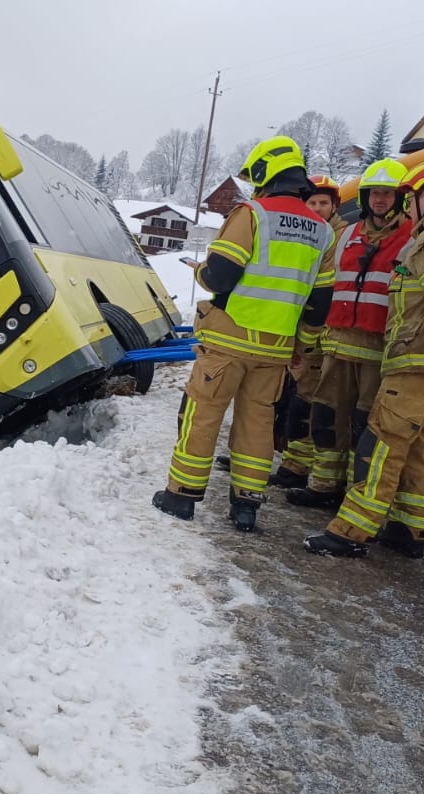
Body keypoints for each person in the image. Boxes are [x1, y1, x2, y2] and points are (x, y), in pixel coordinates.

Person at [304, 160, 424, 558]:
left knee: (382, 444)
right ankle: (410, 529)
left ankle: (352, 530)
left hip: (418, 363)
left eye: (412, 197)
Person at [154, 136, 333, 533]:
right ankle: (247, 506)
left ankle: (181, 496)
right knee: (257, 424)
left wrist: (199, 271)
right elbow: (320, 304)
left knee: (203, 414)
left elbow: (220, 275)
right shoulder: (323, 231)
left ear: (268, 172)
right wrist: (301, 346)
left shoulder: (252, 214)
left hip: (228, 343)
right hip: (276, 350)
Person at [290, 159, 413, 509]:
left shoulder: (411, 238)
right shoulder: (345, 236)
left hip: (378, 349)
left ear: (400, 198)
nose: (380, 200)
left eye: (387, 194)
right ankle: (324, 485)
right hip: (337, 344)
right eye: (375, 193)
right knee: (327, 417)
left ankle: (355, 495)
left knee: (365, 426)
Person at [218, 173, 344, 487]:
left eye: (323, 203)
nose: (316, 207)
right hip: (291, 334)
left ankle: (298, 469)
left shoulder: (332, 237)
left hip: (315, 335)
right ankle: (278, 465)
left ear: (334, 206)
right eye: (312, 201)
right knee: (276, 406)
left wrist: (304, 342)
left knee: (299, 406)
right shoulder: (311, 233)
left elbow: (321, 294)